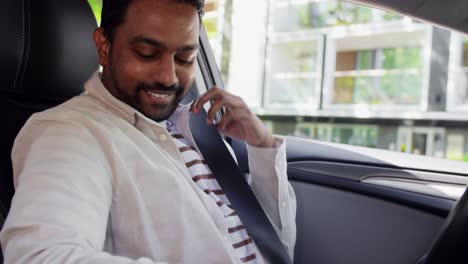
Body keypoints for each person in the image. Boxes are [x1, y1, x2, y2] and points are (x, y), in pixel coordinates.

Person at [0, 0, 296, 263]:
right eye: (146, 53)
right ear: (104, 47)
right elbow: (41, 254)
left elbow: (273, 246)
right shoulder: (67, 133)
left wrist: (262, 144)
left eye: (185, 59)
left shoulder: (197, 126)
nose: (168, 77)